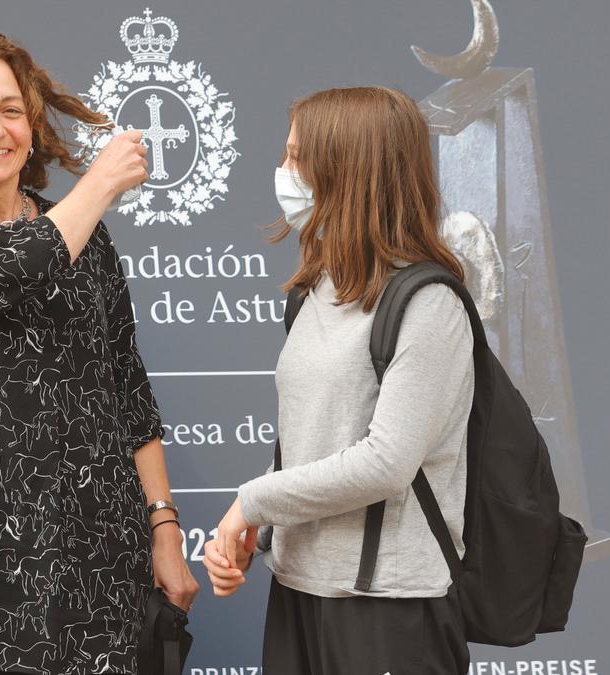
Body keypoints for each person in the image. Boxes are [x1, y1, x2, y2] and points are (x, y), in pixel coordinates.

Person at [0, 26, 198, 675]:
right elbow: (22, 262)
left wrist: (164, 526)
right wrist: (100, 185)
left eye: (10, 110)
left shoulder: (90, 241)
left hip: (107, 582)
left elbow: (129, 388)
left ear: (31, 127)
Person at [203, 87, 474, 675]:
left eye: (297, 156)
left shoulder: (428, 302)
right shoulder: (316, 291)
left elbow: (386, 463)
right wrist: (259, 528)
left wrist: (250, 502)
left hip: (391, 609)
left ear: (346, 169)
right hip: (299, 590)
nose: (282, 171)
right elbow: (314, 442)